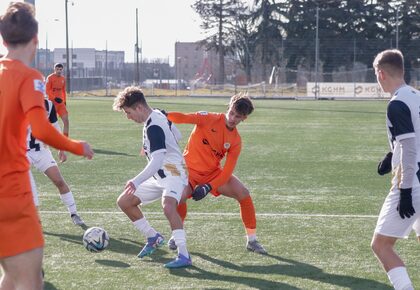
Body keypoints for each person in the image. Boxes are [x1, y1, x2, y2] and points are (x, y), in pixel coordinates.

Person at [0, 3, 94, 289]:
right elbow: (42, 129)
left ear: (2, 40)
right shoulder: (30, 78)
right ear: (36, 40)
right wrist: (78, 146)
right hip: (10, 191)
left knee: (12, 277)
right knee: (30, 281)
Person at [166, 92, 267, 254]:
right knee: (180, 196)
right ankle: (176, 235)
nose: (232, 118)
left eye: (238, 116)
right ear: (229, 107)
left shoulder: (236, 141)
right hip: (187, 170)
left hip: (212, 173)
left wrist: (208, 187)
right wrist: (164, 115)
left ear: (244, 118)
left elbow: (227, 171)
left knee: (244, 194)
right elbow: (184, 118)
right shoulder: (208, 118)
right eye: (232, 113)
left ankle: (252, 240)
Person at [112, 86, 192, 268]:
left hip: (173, 172)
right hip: (160, 176)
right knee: (124, 201)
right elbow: (177, 135)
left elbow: (157, 161)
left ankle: (184, 255)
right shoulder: (156, 115)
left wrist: (136, 180)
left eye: (128, 112)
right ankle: (152, 237)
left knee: (168, 206)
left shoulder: (154, 125)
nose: (128, 117)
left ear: (139, 107)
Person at [371, 49, 420, 290]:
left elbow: (411, 148)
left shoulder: (397, 103)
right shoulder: (416, 96)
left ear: (381, 73)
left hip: (413, 184)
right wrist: (392, 155)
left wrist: (405, 191)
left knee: (381, 245)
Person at [27, 98, 85, 226]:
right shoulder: (18, 103)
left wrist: (61, 148)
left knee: (59, 181)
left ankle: (74, 213)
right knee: (25, 187)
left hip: (41, 151)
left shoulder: (48, 105)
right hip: (21, 152)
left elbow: (55, 128)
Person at [46, 63, 69, 136]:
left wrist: (64, 101)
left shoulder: (63, 78)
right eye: (57, 69)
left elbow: (63, 91)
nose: (59, 71)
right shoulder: (50, 78)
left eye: (60, 69)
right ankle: (46, 139)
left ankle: (65, 140)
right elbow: (47, 90)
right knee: (50, 123)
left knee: (66, 121)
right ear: (54, 69)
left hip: (61, 104)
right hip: (52, 104)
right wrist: (54, 98)